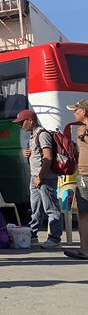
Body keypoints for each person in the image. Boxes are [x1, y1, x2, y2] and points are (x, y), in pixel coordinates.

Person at [14, 109, 62, 248]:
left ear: (30, 120)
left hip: (44, 178)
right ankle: (32, 235)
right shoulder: (32, 135)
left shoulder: (42, 134)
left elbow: (48, 157)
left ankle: (54, 239)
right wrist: (26, 153)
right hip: (35, 177)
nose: (20, 126)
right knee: (36, 209)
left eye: (22, 122)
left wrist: (40, 177)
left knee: (51, 208)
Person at [64, 99, 88, 260]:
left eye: (76, 110)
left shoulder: (83, 130)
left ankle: (85, 249)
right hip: (83, 174)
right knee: (83, 213)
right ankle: (84, 248)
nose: (73, 113)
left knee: (85, 213)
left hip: (87, 176)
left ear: (84, 112)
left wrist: (84, 136)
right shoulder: (81, 129)